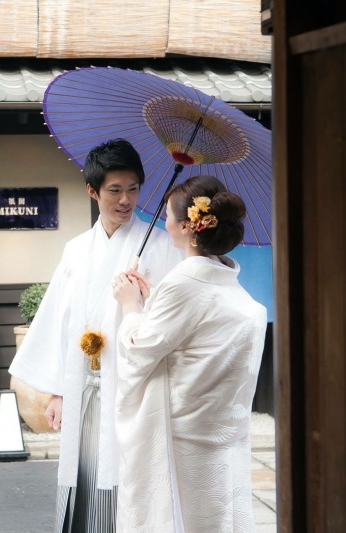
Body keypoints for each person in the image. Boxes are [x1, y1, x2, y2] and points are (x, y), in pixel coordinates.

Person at [8, 138, 183, 532]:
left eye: (133, 189)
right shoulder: (76, 250)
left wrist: (142, 300)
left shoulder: (158, 245)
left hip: (133, 387)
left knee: (128, 473)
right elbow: (59, 319)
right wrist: (57, 391)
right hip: (83, 383)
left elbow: (171, 319)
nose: (126, 200)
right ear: (92, 191)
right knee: (85, 468)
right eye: (114, 190)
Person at [111, 175, 268, 532]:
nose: (164, 222)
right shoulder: (229, 283)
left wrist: (130, 306)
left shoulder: (183, 283)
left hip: (184, 439)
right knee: (219, 519)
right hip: (222, 433)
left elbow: (139, 352)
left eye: (168, 215)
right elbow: (196, 330)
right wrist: (154, 301)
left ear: (187, 226)